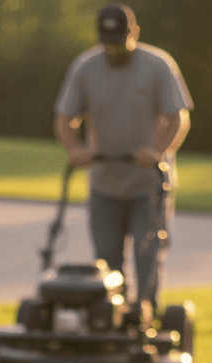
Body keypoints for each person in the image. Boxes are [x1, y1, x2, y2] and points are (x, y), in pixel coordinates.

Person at [53, 4, 193, 316]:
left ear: (134, 34)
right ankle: (111, 324)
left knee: (148, 260)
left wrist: (156, 151)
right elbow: (64, 118)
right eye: (108, 41)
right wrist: (74, 150)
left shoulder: (158, 65)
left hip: (149, 185)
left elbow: (177, 118)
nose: (113, 48)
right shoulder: (85, 67)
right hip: (105, 183)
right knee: (106, 264)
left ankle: (147, 321)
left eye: (120, 40)